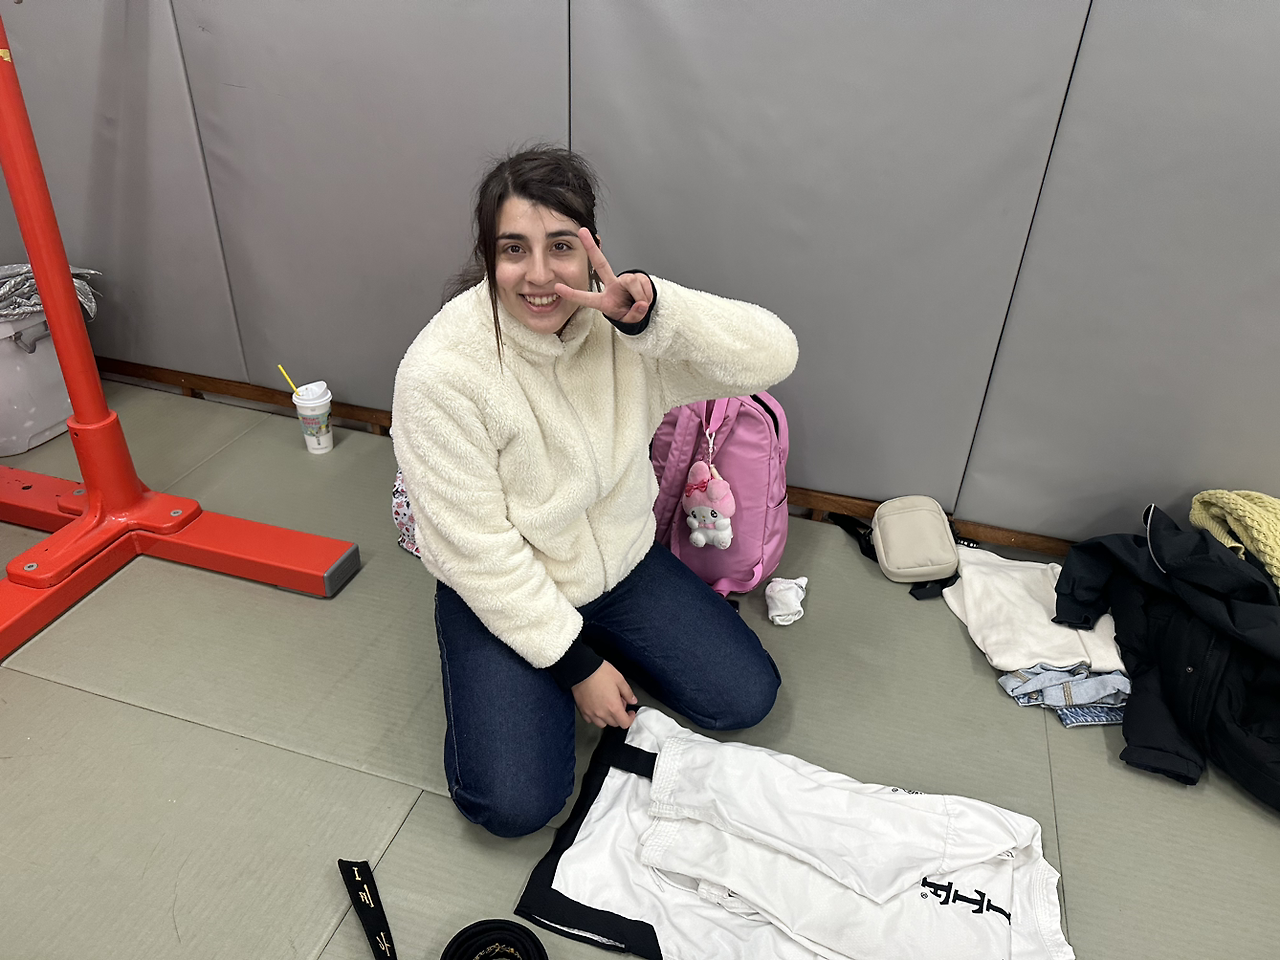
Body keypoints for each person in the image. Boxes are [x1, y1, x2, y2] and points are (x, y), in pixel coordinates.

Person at [391, 146, 799, 837]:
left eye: (561, 246)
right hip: (500, 581)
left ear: (592, 249)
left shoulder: (622, 330)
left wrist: (654, 314)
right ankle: (533, 656)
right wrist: (575, 661)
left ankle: (577, 647)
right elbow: (475, 549)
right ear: (488, 257)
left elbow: (773, 355)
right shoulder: (440, 371)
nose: (539, 274)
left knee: (745, 698)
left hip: (623, 565)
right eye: (514, 249)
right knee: (515, 806)